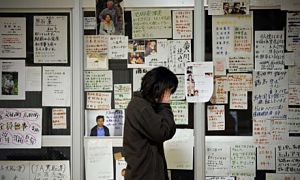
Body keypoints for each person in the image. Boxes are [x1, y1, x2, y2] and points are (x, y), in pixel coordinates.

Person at [123, 66, 178, 180]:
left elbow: (168, 130)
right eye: (169, 91)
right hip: (144, 176)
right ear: (160, 88)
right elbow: (163, 132)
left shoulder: (145, 106)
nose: (169, 96)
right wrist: (165, 104)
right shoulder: (140, 107)